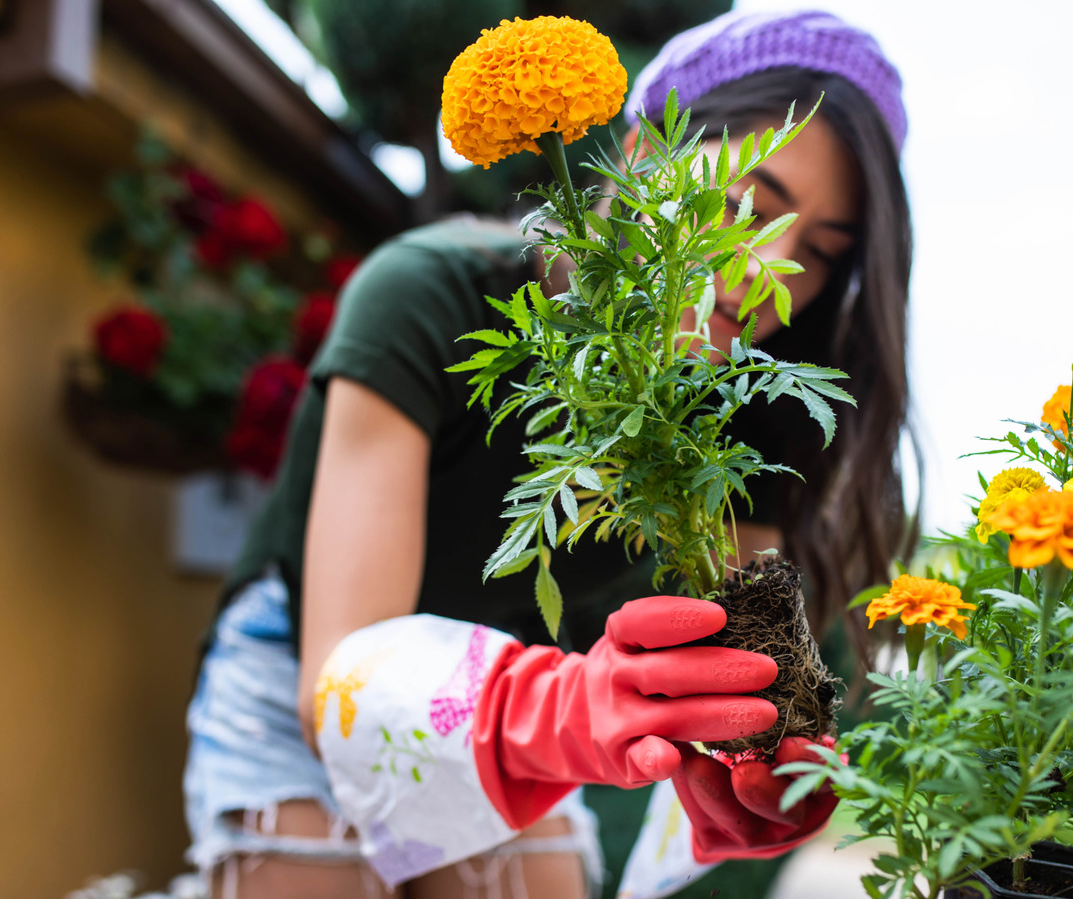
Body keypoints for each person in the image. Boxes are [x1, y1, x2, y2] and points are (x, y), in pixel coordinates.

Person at [182, 9, 915, 899]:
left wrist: (768, 754)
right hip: (306, 666)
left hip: (516, 686)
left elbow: (750, 655)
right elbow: (340, 676)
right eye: (748, 209)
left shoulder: (747, 399)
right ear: (645, 155)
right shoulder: (427, 292)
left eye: (822, 255)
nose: (774, 273)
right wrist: (574, 708)